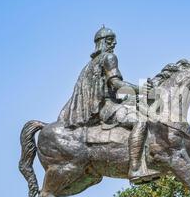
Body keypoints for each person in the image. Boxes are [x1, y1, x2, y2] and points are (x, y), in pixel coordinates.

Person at [58, 26, 155, 183]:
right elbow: (116, 83)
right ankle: (136, 168)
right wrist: (141, 89)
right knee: (141, 120)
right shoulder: (109, 57)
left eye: (114, 40)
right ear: (101, 42)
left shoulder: (90, 64)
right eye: (110, 40)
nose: (114, 43)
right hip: (107, 108)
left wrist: (128, 98)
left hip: (109, 104)